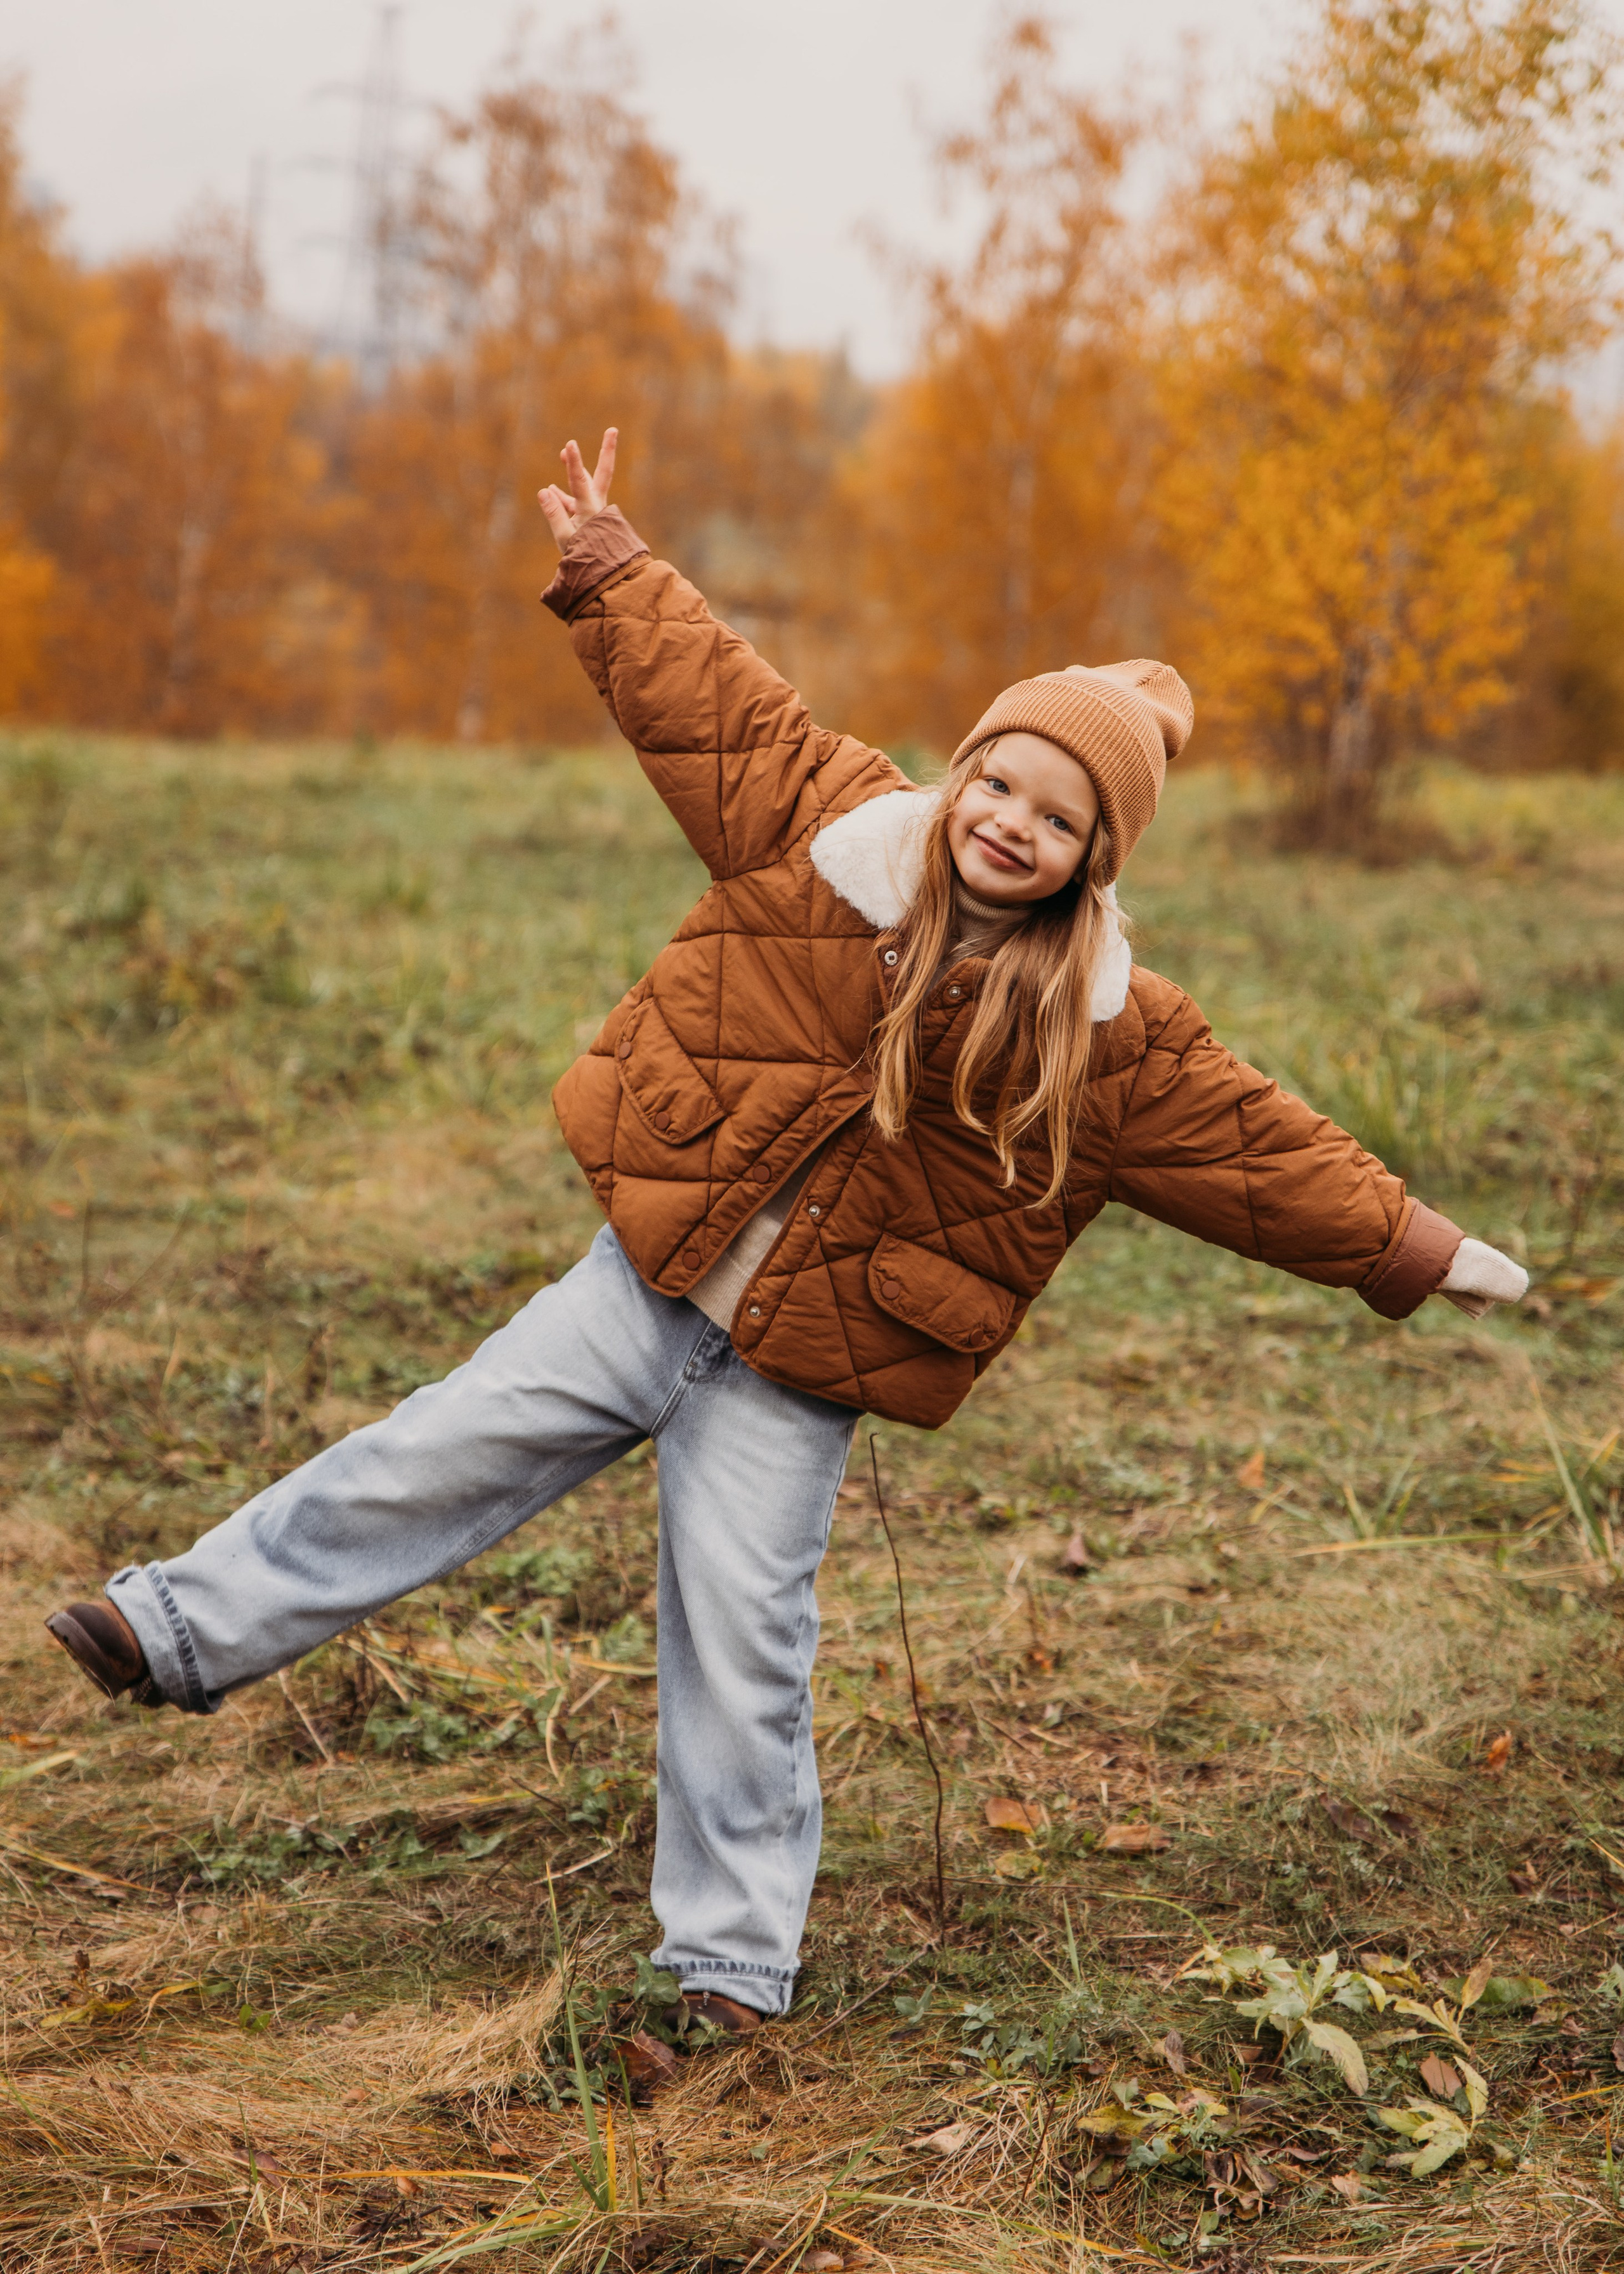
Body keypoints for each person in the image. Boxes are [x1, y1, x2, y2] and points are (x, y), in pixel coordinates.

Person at [46, 427, 1528, 2034]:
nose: (1014, 823)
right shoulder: (831, 830)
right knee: (430, 1449)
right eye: (1004, 781)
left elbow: (1257, 1151)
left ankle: (728, 1964)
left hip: (798, 1373)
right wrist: (611, 564)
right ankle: (178, 1620)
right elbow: (707, 698)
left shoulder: (1109, 1033)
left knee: (742, 1641)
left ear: (1097, 857)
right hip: (644, 1281)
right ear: (965, 770)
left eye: (1060, 816)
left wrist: (1409, 1245)